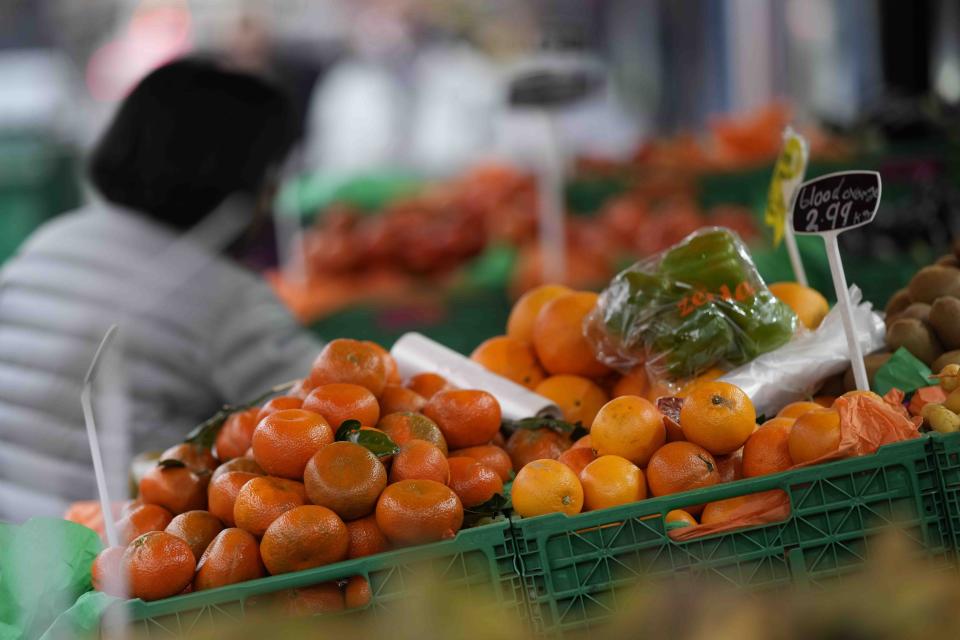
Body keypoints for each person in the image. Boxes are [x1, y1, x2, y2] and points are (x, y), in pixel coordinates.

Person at [0, 58, 323, 522]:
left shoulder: (49, 240)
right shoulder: (225, 298)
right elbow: (329, 412)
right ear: (242, 180)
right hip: (108, 561)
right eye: (269, 175)